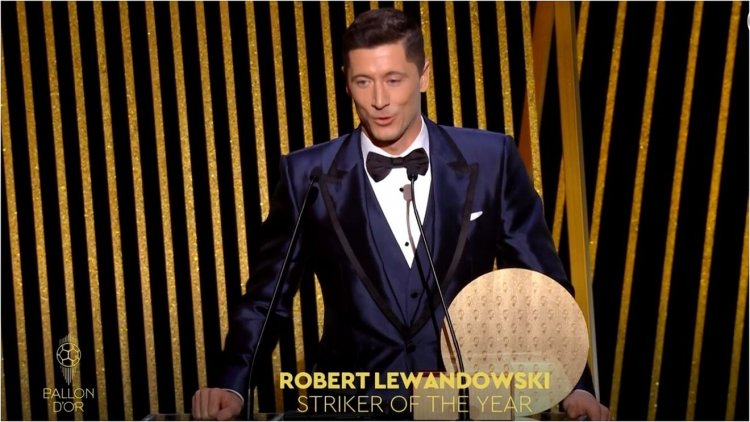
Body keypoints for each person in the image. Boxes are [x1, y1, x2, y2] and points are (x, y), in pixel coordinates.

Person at [192, 8, 610, 421]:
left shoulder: (491, 160)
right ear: (346, 81)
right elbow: (266, 299)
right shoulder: (306, 175)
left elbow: (542, 286)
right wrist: (232, 384)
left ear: (423, 76)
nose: (379, 100)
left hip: (460, 410)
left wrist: (575, 385)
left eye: (394, 80)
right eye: (363, 82)